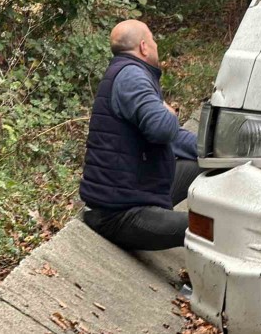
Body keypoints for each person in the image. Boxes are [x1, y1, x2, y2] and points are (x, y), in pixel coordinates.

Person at [79, 19, 202, 251]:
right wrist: (170, 113)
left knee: (208, 162)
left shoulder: (130, 74)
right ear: (144, 47)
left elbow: (171, 138)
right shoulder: (132, 77)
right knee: (213, 228)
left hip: (140, 191)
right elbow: (163, 128)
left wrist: (216, 151)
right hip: (119, 214)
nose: (156, 45)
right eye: (154, 40)